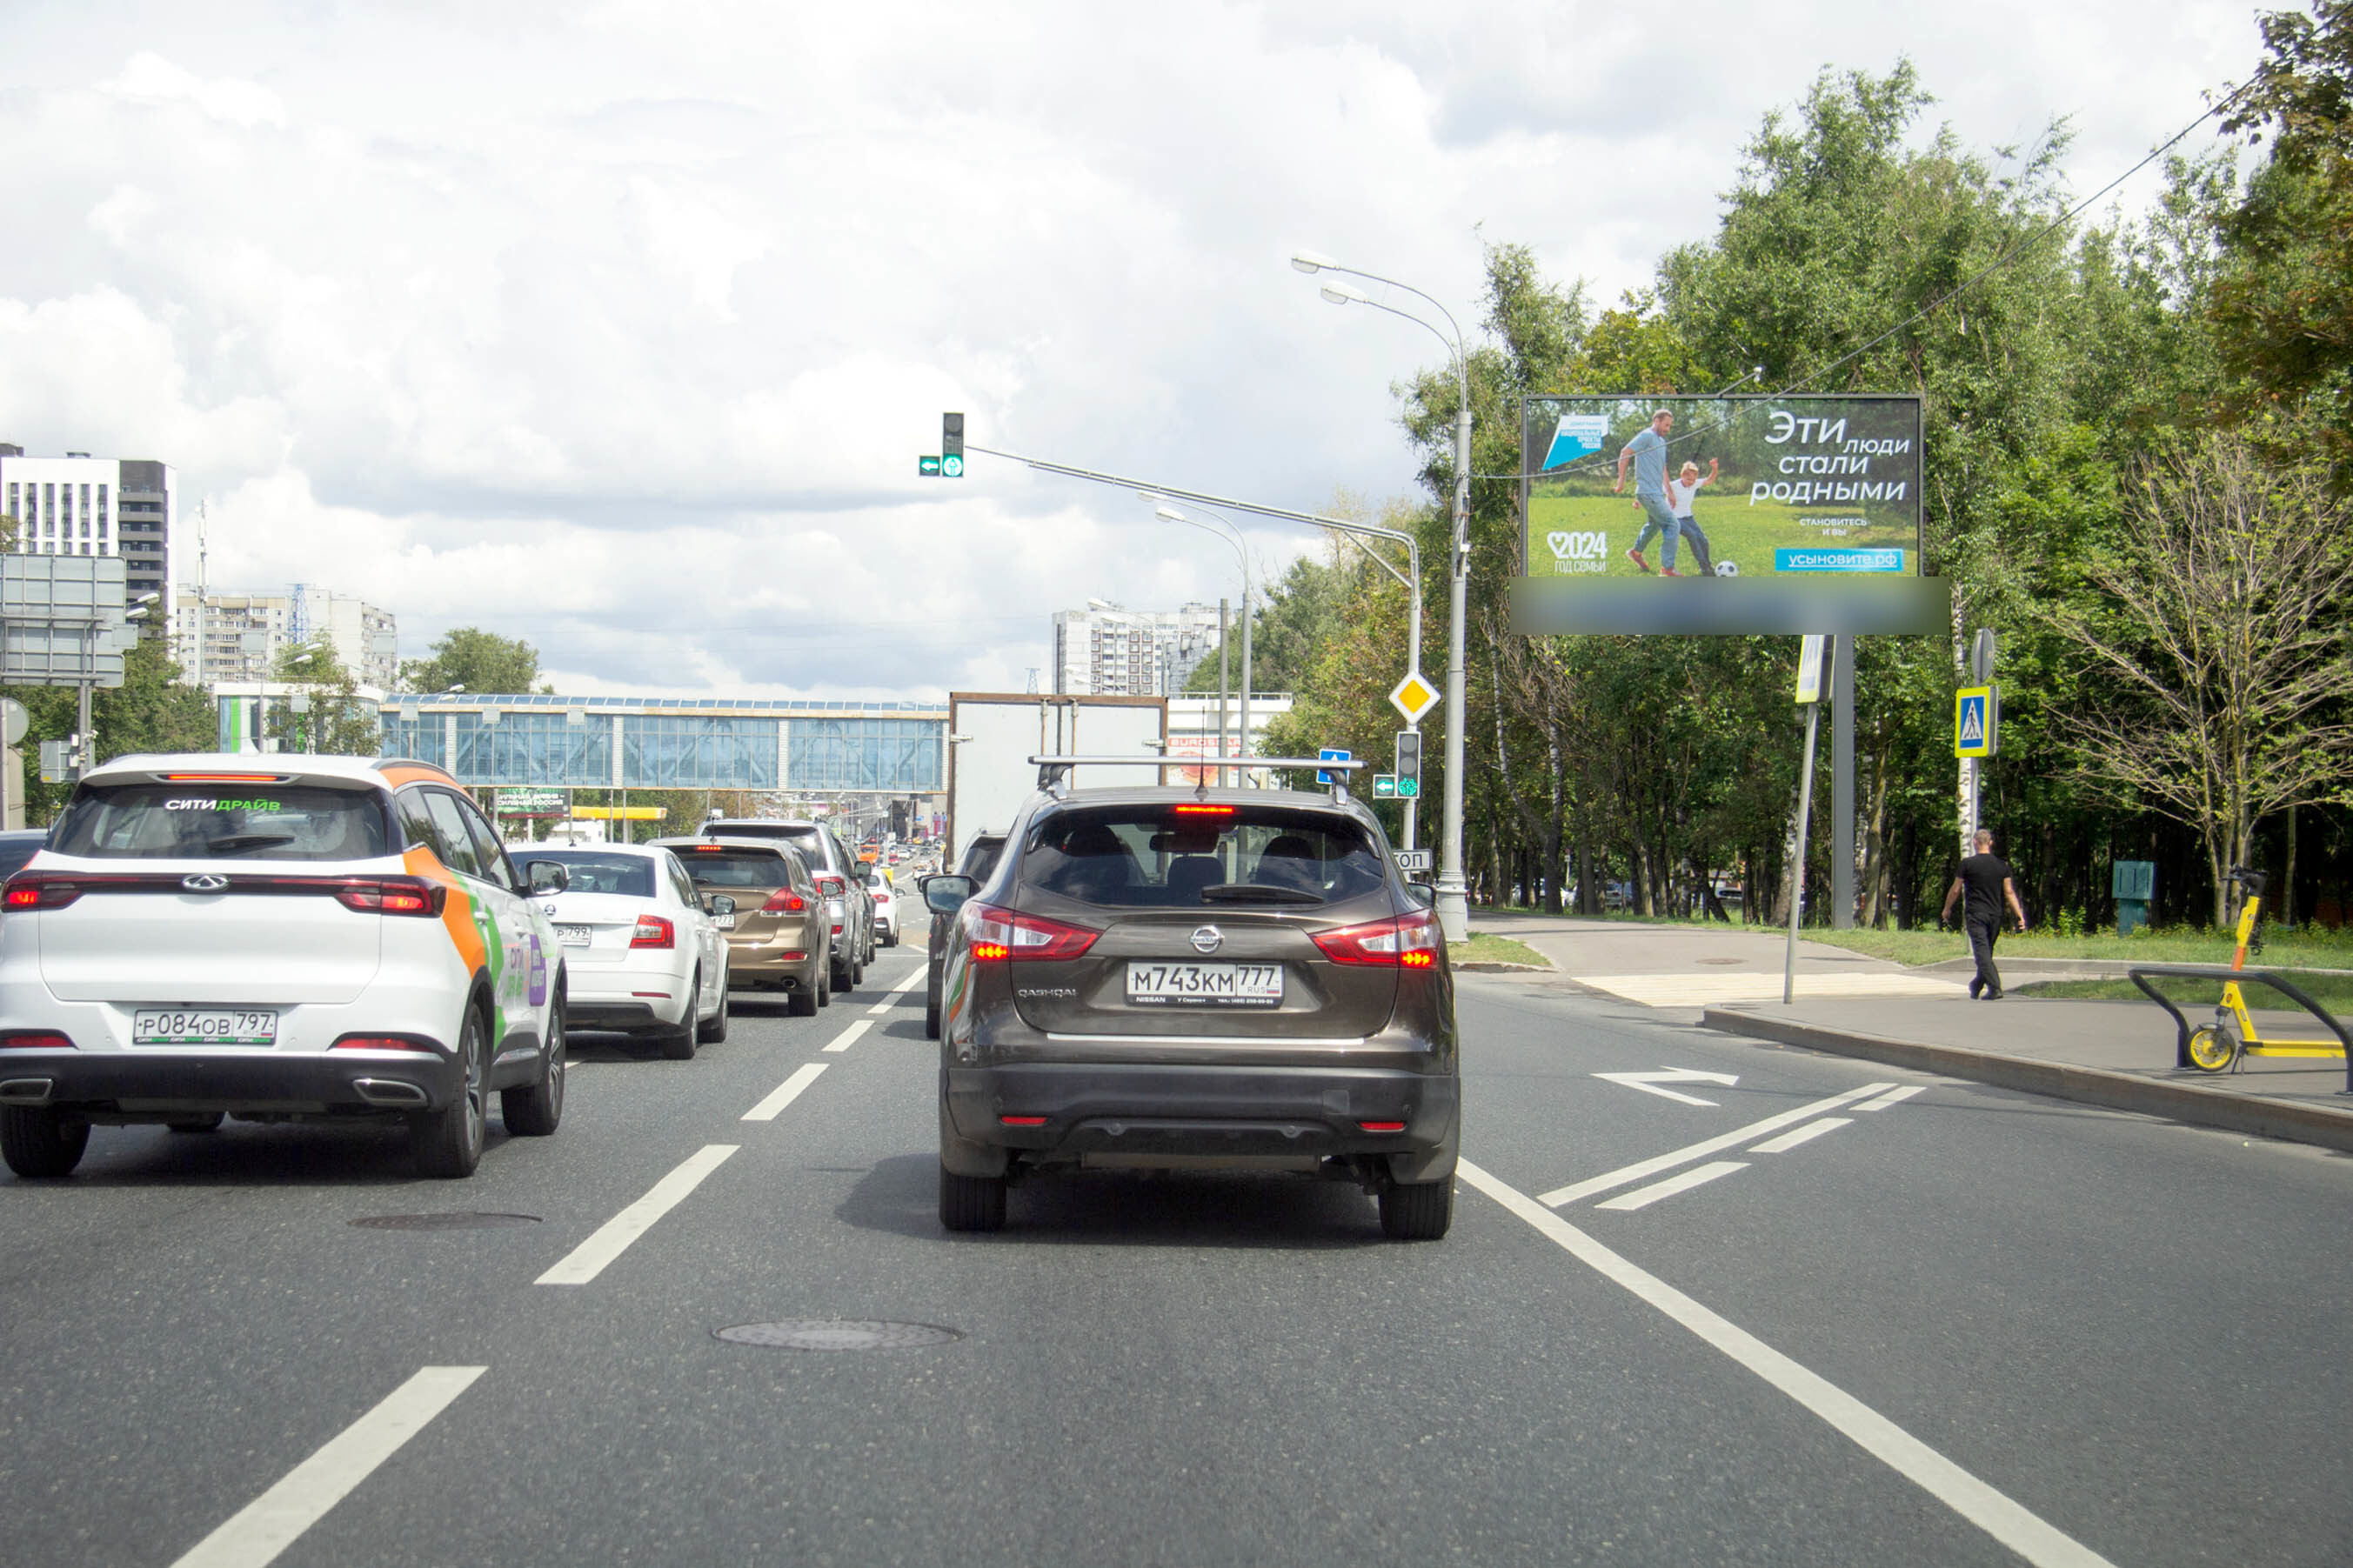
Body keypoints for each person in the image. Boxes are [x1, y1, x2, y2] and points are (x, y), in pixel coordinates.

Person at [1940, 829, 2029, 999]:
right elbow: (2009, 892)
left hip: (1975, 914)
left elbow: (1956, 889)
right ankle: (1977, 984)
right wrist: (2020, 915)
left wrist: (1947, 908)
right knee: (1986, 952)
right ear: (1991, 843)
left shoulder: (1967, 864)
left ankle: (1995, 987)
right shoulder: (2002, 866)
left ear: (1974, 843)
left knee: (1982, 952)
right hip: (1996, 915)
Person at [1614, 408, 1683, 577]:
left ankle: (1636, 553)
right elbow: (1625, 452)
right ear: (1657, 421)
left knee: (1655, 524)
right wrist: (1621, 480)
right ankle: (1667, 569)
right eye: (1666, 425)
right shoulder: (1647, 436)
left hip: (1656, 493)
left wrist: (1670, 492)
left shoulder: (1661, 441)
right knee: (1672, 524)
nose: (1668, 429)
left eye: (1670, 426)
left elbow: (1663, 468)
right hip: (1647, 493)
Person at [1666, 457, 1719, 577]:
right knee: (1693, 536)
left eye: (1693, 479)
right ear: (1682, 475)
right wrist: (1638, 501)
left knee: (1703, 540)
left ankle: (1707, 565)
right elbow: (1655, 491)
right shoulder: (1672, 486)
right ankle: (1704, 566)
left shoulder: (1694, 483)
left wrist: (1714, 468)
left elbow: (1710, 480)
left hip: (1689, 517)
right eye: (1688, 479)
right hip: (1674, 519)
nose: (1691, 482)